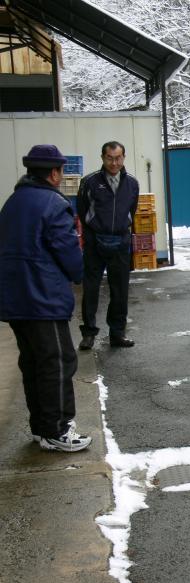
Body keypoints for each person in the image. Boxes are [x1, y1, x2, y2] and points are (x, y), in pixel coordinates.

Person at [0, 144, 91, 452]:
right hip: (44, 298)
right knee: (58, 361)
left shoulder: (12, 202)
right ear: (53, 173)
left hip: (14, 298)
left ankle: (41, 427)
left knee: (34, 362)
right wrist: (79, 272)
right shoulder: (54, 204)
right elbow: (68, 253)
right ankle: (58, 429)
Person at [77, 141, 139, 349]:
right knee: (91, 289)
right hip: (95, 243)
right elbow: (82, 210)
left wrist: (124, 233)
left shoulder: (132, 183)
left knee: (120, 290)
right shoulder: (90, 182)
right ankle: (89, 333)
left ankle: (117, 333)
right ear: (103, 158)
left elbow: (133, 210)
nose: (114, 163)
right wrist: (91, 235)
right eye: (110, 158)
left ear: (124, 158)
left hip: (120, 242)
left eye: (118, 158)